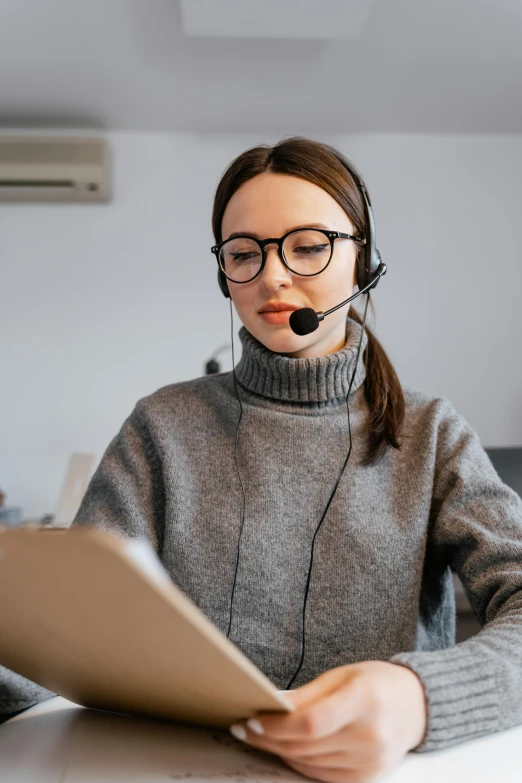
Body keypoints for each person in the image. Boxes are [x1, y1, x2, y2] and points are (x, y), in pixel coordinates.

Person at [2, 136, 522, 783]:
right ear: (223, 273)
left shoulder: (433, 433)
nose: (272, 276)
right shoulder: (160, 427)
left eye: (308, 245)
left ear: (365, 258)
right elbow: (74, 629)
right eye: (244, 253)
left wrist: (419, 697)